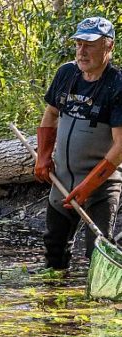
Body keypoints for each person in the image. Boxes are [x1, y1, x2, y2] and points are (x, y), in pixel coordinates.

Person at [35, 17, 122, 270]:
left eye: (90, 45)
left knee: (96, 253)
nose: (82, 51)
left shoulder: (116, 85)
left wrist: (88, 185)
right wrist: (43, 157)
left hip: (101, 186)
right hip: (62, 180)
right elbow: (51, 114)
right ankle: (53, 300)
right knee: (54, 249)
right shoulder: (67, 73)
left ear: (109, 47)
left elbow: (120, 146)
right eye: (78, 44)